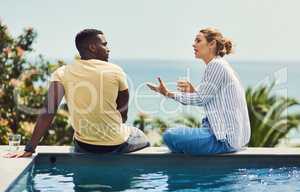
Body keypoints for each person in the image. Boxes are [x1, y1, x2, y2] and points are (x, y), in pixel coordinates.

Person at [7, 29, 149, 158]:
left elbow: (48, 112)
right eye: (104, 45)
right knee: (141, 136)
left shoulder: (62, 72)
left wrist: (30, 148)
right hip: (115, 145)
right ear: (93, 47)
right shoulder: (115, 70)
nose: (108, 49)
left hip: (84, 146)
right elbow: (123, 114)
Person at [147, 28, 251, 155]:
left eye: (198, 40)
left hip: (222, 140)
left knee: (170, 136)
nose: (193, 44)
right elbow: (211, 97)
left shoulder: (215, 65)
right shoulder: (221, 65)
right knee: (176, 139)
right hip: (230, 138)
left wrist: (168, 94)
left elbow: (201, 99)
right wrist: (194, 91)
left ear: (212, 44)